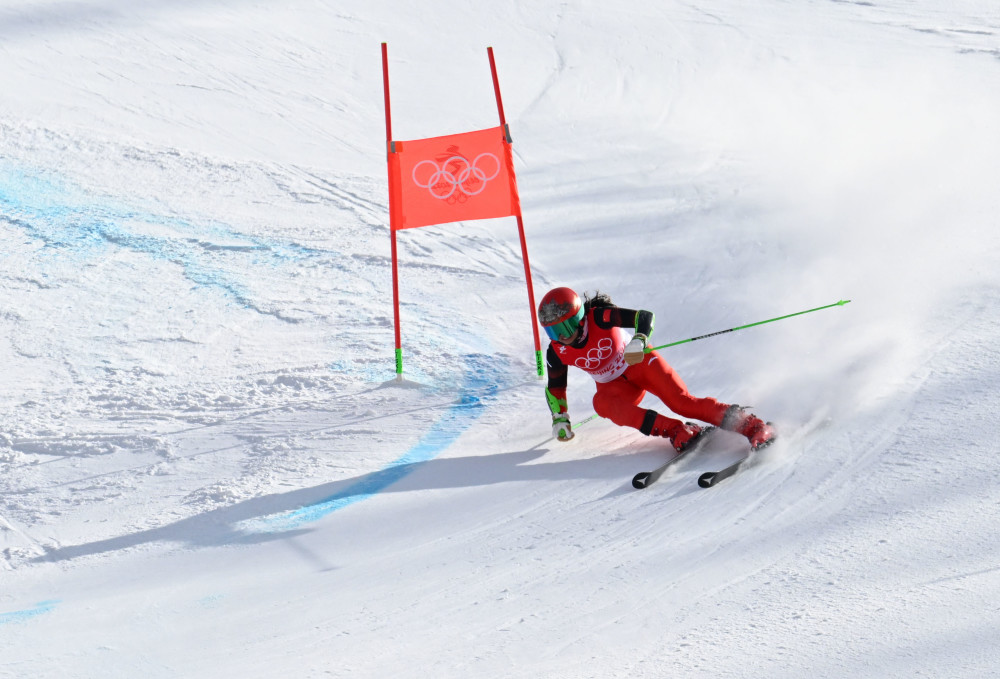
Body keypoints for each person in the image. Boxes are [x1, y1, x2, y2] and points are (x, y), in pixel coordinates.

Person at [539, 287, 775, 452]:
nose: (561, 337)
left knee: (682, 403)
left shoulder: (599, 317)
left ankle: (753, 426)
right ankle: (676, 431)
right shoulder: (557, 350)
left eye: (565, 327)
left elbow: (644, 316)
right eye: (553, 332)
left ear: (579, 318)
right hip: (614, 387)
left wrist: (639, 340)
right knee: (601, 404)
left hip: (639, 363)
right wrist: (559, 417)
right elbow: (556, 388)